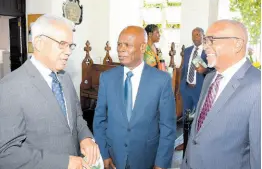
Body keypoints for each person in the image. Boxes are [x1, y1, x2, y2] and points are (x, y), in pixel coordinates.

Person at [0, 14, 100, 169]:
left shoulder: (65, 78)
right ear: (39, 43)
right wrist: (64, 163)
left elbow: (77, 117)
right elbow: (7, 153)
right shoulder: (10, 86)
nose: (68, 52)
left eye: (70, 46)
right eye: (62, 44)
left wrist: (85, 137)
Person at [181, 20, 261, 169]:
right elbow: (196, 133)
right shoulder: (210, 78)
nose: (205, 46)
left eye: (212, 40)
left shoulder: (258, 86)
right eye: (205, 40)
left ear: (237, 44)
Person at [93, 26, 176, 169]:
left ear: (143, 47)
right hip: (114, 155)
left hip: (146, 157)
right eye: (119, 44)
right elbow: (100, 119)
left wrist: (161, 163)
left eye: (127, 45)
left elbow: (167, 126)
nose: (121, 49)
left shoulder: (161, 80)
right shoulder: (107, 78)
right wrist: (104, 153)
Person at [176, 27, 209, 151]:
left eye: (197, 34)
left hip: (200, 90)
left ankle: (197, 144)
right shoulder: (188, 50)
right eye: (193, 34)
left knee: (199, 118)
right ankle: (185, 142)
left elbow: (214, 70)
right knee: (186, 118)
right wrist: (180, 87)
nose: (195, 37)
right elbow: (183, 69)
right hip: (187, 89)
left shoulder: (208, 51)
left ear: (203, 36)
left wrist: (205, 70)